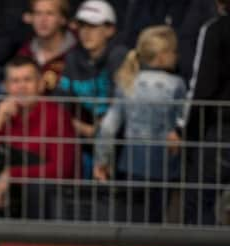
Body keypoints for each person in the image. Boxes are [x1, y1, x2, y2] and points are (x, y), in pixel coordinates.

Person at [93, 25, 186, 223]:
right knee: (156, 220)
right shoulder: (177, 84)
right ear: (162, 55)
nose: (178, 56)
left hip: (131, 163)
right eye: (175, 51)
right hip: (164, 165)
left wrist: (102, 160)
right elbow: (182, 122)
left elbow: (108, 127)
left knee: (131, 220)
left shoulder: (128, 81)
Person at [0, 56, 77, 219]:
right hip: (3, 188)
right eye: (15, 81)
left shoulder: (56, 115)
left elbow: (63, 169)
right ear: (7, 87)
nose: (21, 87)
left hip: (37, 192)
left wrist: (12, 175)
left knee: (35, 187)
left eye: (27, 80)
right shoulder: (3, 114)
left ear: (40, 84)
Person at [54, 0, 127, 179]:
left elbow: (120, 107)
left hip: (121, 139)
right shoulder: (72, 58)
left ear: (110, 30)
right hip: (86, 136)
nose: (86, 33)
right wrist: (83, 128)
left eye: (93, 26)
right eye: (82, 26)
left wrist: (97, 131)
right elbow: (59, 104)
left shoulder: (120, 56)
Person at [182, 0, 230, 225]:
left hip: (222, 130)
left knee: (198, 201)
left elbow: (202, 88)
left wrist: (187, 132)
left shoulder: (216, 29)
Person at [17, 0, 77, 93]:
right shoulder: (25, 53)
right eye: (38, 13)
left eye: (50, 13)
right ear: (31, 18)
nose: (43, 19)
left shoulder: (78, 52)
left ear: (63, 19)